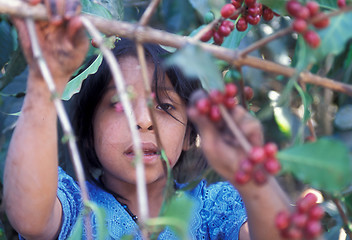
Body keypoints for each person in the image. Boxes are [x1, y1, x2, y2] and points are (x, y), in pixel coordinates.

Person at [3, 0, 291, 239]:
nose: (144, 120)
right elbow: (30, 219)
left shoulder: (213, 211)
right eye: (120, 104)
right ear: (89, 131)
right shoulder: (76, 204)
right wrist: (44, 82)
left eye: (165, 106)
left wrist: (253, 173)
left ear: (192, 134)